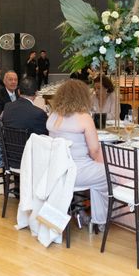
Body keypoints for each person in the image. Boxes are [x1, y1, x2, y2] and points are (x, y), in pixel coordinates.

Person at [46, 79, 108, 226]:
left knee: (98, 173)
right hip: (77, 172)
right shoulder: (84, 118)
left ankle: (80, 209)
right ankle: (100, 219)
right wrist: (99, 162)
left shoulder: (53, 116)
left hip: (57, 171)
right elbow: (94, 150)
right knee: (110, 175)